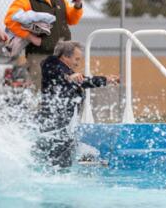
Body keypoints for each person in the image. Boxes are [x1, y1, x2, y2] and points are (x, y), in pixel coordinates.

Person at [33, 41, 118, 169]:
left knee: (64, 148)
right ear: (65, 56)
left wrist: (106, 80)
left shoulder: (69, 71)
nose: (78, 63)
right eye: (76, 59)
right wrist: (68, 77)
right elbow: (55, 72)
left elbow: (84, 81)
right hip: (51, 121)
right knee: (56, 151)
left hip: (62, 124)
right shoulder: (51, 63)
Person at [4, 0, 83, 89]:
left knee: (66, 93)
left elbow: (72, 20)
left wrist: (78, 6)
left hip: (63, 57)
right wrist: (31, 38)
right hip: (39, 56)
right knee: (43, 95)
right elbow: (10, 19)